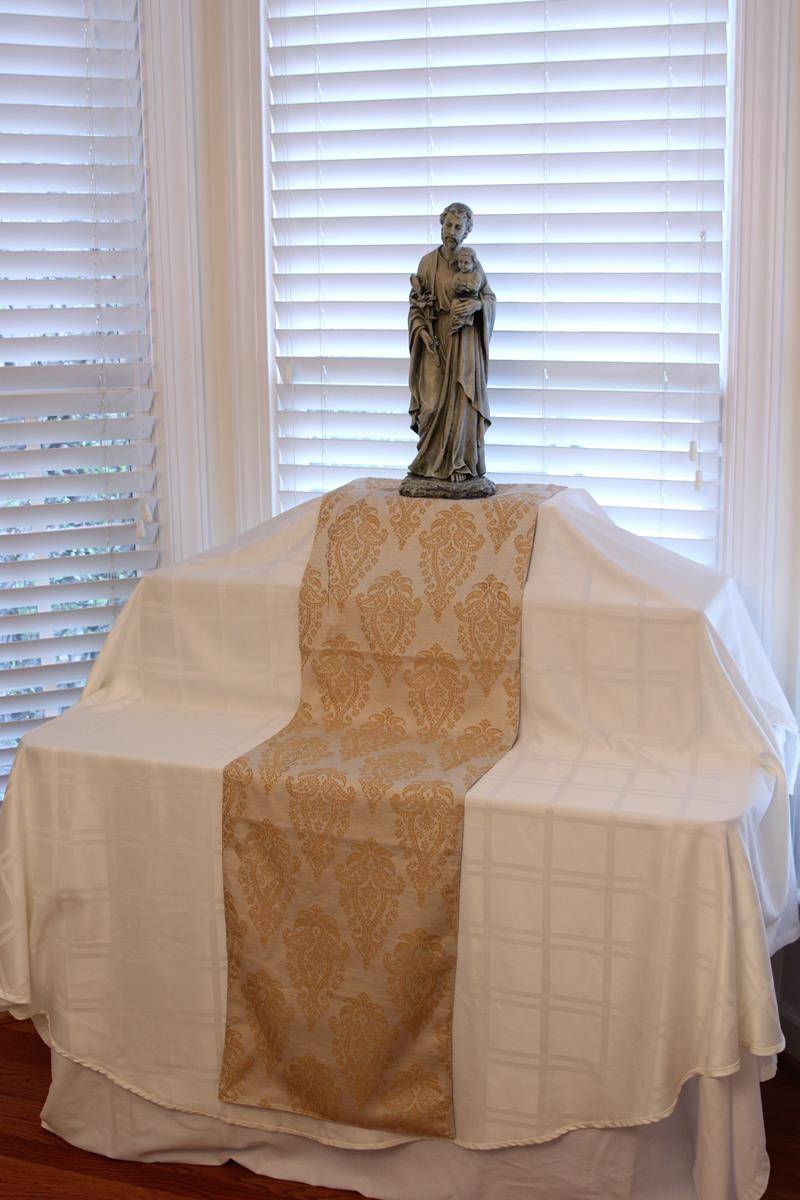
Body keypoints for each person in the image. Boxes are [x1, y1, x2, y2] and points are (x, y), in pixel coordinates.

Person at [406, 202, 496, 485]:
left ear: (467, 231)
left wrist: (476, 307)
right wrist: (422, 333)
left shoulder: (471, 261)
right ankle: (429, 465)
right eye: (448, 225)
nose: (452, 231)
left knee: (461, 401)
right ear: (441, 225)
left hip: (464, 341)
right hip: (434, 338)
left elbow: (489, 299)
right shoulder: (426, 262)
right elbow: (415, 305)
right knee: (430, 404)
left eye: (459, 227)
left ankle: (461, 463)